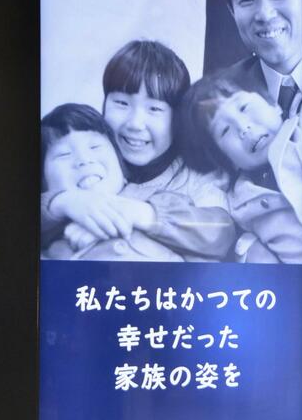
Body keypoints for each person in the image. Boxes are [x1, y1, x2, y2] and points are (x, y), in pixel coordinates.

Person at [40, 40, 235, 261]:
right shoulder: (92, 160)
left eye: (154, 109)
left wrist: (138, 213)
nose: (135, 123)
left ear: (177, 118)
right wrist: (64, 202)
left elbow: (219, 231)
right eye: (122, 103)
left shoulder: (197, 176)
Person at [181, 76, 302, 263]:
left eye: (243, 107)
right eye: (224, 130)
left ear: (274, 104)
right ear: (226, 160)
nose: (243, 127)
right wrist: (246, 248)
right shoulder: (239, 204)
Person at [40, 103, 183, 261]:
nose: (84, 160)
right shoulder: (48, 231)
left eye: (94, 147)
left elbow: (205, 233)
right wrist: (60, 202)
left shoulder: (158, 200)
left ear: (121, 166)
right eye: (64, 154)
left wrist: (143, 214)